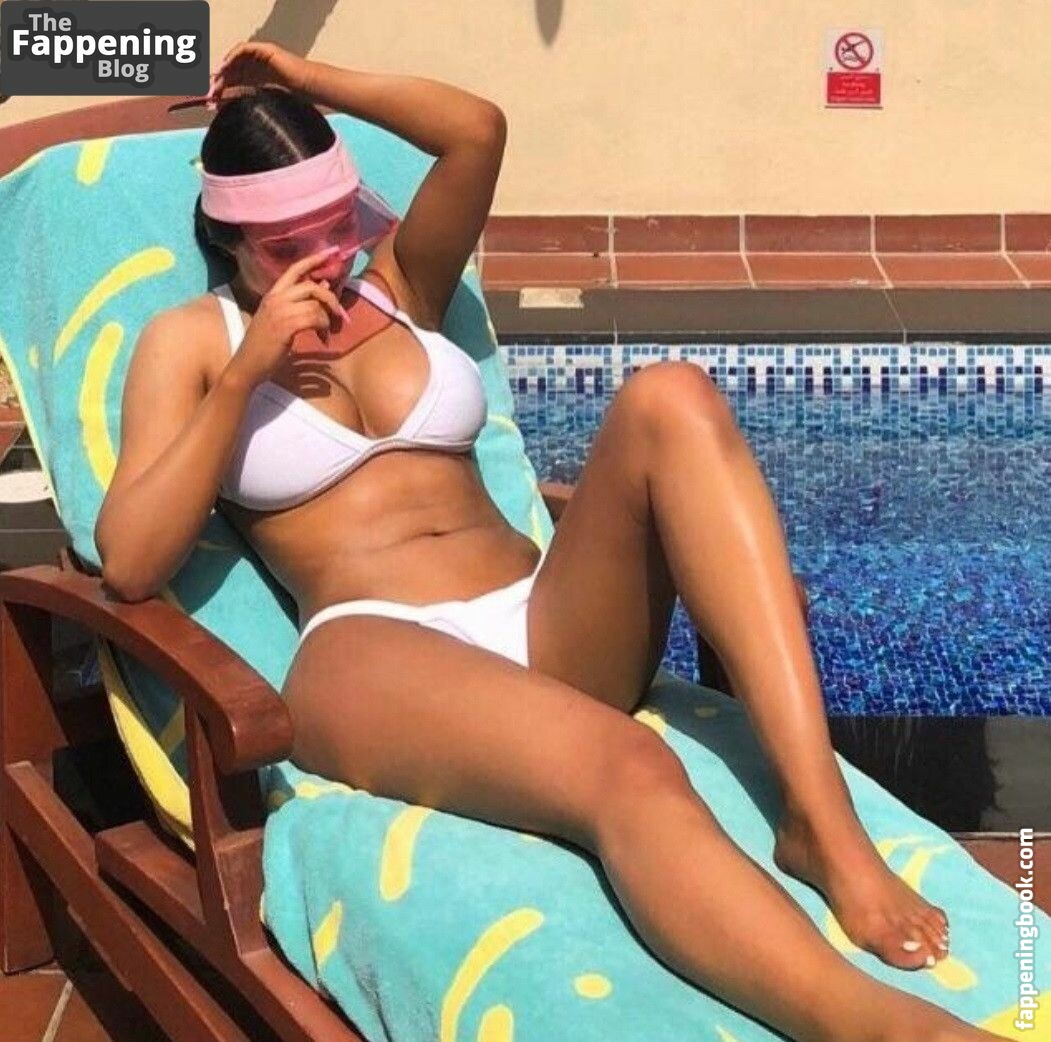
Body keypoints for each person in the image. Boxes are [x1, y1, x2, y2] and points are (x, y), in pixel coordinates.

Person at [95, 41, 997, 1042]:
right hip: (374, 651)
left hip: (542, 619)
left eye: (338, 225)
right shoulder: (195, 341)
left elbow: (475, 131)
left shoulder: (398, 282)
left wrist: (309, 82)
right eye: (285, 246)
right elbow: (130, 558)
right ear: (228, 235)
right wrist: (243, 376)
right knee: (629, 765)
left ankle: (824, 829)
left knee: (671, 396)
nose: (326, 261)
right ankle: (873, 1025)